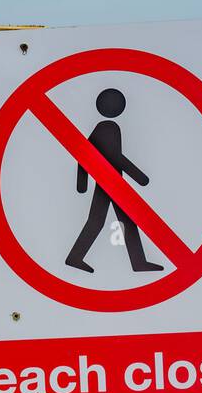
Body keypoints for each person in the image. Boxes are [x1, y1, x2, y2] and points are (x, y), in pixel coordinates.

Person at [64, 88, 163, 273]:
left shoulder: (106, 128)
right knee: (100, 221)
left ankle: (137, 262)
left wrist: (82, 184)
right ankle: (75, 257)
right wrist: (139, 177)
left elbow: (85, 154)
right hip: (110, 184)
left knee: (115, 221)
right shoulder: (109, 128)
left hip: (113, 184)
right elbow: (113, 157)